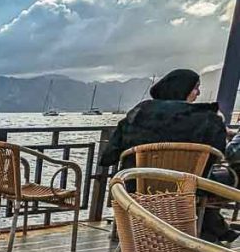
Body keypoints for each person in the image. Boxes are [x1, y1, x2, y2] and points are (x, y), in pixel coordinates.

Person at [100, 67, 233, 242]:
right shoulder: (208, 119)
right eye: (195, 88)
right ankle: (207, 227)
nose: (198, 93)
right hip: (186, 190)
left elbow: (107, 157)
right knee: (224, 177)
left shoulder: (139, 113)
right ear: (183, 89)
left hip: (135, 187)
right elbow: (218, 155)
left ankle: (211, 226)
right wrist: (221, 126)